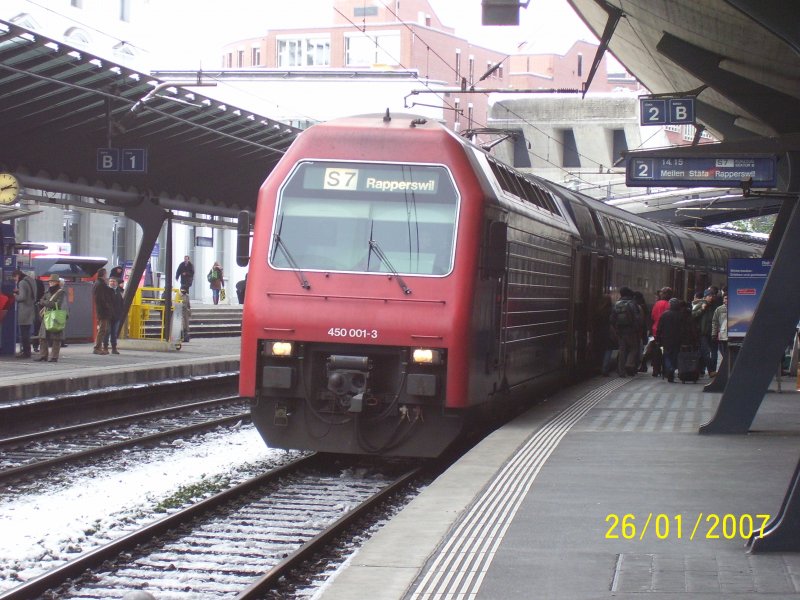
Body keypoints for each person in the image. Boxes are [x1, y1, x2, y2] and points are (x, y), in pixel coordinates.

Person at [610, 286, 643, 377]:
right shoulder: (633, 304)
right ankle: (629, 364)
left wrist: (616, 329)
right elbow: (637, 318)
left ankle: (621, 371)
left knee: (622, 350)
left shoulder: (617, 304)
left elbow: (612, 319)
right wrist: (637, 329)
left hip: (620, 331)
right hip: (631, 330)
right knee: (633, 348)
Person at [36, 274, 66, 362]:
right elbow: (42, 301)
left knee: (56, 337)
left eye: (52, 281)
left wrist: (44, 302)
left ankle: (54, 356)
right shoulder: (47, 292)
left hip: (56, 316)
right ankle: (43, 355)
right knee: (42, 336)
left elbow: (56, 304)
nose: (50, 283)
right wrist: (45, 302)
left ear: (57, 282)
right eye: (49, 281)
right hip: (47, 315)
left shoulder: (61, 292)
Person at [656, 298, 684, 382]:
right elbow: (683, 328)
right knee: (675, 355)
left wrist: (658, 338)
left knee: (667, 355)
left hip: (666, 339)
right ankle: (672, 369)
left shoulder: (664, 314)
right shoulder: (681, 315)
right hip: (678, 339)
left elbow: (659, 328)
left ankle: (669, 368)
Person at [692, 288, 717, 377]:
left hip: (711, 333)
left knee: (708, 353)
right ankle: (711, 371)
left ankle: (700, 370)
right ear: (705, 297)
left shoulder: (713, 306)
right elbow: (693, 315)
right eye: (709, 296)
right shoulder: (700, 304)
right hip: (702, 333)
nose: (711, 297)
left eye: (712, 296)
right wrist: (702, 310)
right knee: (706, 352)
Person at [12, 269, 36, 358]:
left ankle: (26, 353)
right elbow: (30, 294)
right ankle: (27, 352)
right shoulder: (31, 280)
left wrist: (15, 296)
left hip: (24, 310)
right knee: (27, 332)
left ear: (17, 275)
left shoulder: (22, 282)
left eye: (15, 278)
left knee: (24, 333)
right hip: (31, 309)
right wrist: (19, 292)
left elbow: (22, 297)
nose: (15, 280)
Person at [92, 268, 114, 355]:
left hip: (101, 310)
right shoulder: (100, 284)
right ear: (104, 274)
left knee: (103, 329)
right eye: (106, 274)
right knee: (102, 329)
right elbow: (101, 298)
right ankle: (97, 347)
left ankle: (98, 347)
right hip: (103, 310)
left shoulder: (98, 284)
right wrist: (107, 306)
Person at [103, 277, 124, 354]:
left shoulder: (119, 291)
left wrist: (121, 312)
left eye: (114, 281)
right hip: (108, 315)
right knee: (107, 331)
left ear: (117, 283)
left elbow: (121, 303)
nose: (112, 282)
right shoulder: (106, 291)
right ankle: (105, 347)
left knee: (114, 333)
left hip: (117, 315)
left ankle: (114, 348)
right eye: (111, 281)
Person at [711, 294, 728, 371]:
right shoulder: (719, 309)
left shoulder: (736, 307)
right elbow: (715, 322)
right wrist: (714, 333)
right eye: (725, 298)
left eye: (727, 298)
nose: (726, 300)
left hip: (732, 335)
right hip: (723, 335)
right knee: (723, 353)